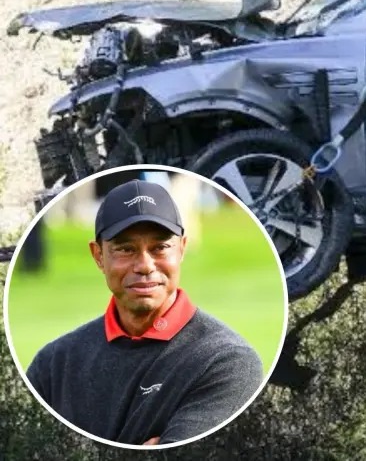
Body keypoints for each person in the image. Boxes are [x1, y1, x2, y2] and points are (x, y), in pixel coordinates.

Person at [24, 178, 263, 447]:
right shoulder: (53, 365)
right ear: (98, 256)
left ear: (182, 249)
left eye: (160, 248)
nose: (145, 265)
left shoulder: (228, 363)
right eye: (126, 249)